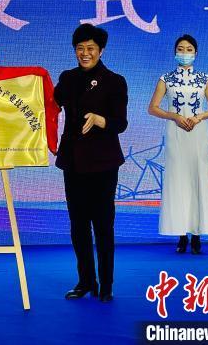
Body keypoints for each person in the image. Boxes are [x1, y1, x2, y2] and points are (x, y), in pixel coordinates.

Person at [54, 24, 128, 303]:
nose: (85, 53)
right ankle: (86, 280)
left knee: (103, 225)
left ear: (101, 51)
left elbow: (120, 123)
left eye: (91, 48)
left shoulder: (114, 81)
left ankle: (106, 284)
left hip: (103, 163)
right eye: (80, 48)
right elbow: (48, 102)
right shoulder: (67, 78)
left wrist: (100, 120)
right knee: (78, 225)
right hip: (73, 162)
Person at [148, 34, 208, 254]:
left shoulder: (205, 79)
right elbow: (153, 107)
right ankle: (181, 235)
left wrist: (199, 117)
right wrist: (175, 116)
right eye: (181, 49)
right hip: (176, 134)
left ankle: (197, 235)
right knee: (178, 181)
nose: (185, 53)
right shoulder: (166, 79)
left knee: (198, 179)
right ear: (175, 52)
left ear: (195, 53)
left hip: (198, 134)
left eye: (189, 49)